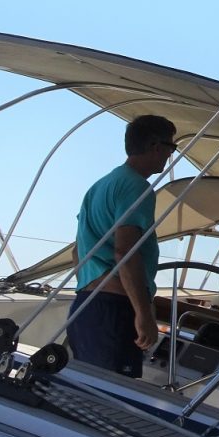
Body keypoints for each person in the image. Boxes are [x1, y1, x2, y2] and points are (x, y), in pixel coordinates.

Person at [67, 114, 177, 377]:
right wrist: (143, 313)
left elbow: (77, 251)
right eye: (171, 147)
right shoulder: (136, 188)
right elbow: (125, 251)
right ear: (155, 146)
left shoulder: (100, 186)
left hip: (86, 306)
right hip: (114, 310)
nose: (170, 155)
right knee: (111, 392)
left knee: (88, 388)